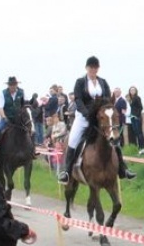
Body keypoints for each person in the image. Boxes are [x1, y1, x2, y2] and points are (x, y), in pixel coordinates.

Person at [57, 56, 137, 184]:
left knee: (113, 137)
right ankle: (67, 172)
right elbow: (78, 99)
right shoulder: (80, 82)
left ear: (98, 68)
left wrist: (103, 112)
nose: (93, 70)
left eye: (95, 68)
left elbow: (107, 99)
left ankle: (123, 169)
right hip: (83, 117)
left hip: (100, 118)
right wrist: (86, 113)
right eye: (91, 68)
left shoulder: (103, 82)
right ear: (87, 68)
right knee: (72, 140)